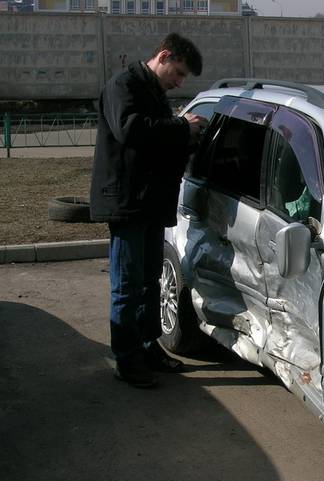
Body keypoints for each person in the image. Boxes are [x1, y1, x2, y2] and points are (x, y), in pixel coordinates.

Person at [90, 33, 208, 388]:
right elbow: (131, 131)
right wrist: (180, 127)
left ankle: (147, 347)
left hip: (151, 202)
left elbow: (160, 143)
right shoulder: (122, 86)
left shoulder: (154, 93)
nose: (179, 81)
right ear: (163, 55)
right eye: (179, 72)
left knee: (148, 283)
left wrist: (188, 139)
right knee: (127, 286)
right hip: (127, 203)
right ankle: (126, 360)